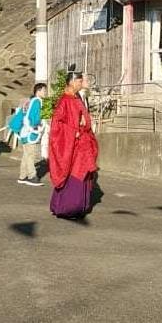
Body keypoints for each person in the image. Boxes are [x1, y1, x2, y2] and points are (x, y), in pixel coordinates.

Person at [48, 71, 100, 219]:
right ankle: (68, 208)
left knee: (81, 173)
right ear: (71, 81)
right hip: (73, 144)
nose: (80, 83)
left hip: (81, 144)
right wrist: (73, 132)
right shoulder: (65, 100)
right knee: (74, 173)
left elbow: (82, 118)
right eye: (79, 81)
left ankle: (75, 206)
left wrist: (84, 123)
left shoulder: (76, 98)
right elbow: (57, 125)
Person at [15, 83, 46, 186]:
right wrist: (38, 126)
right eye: (43, 90)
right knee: (30, 155)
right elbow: (35, 117)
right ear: (38, 91)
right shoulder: (37, 101)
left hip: (24, 131)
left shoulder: (30, 101)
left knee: (26, 155)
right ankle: (32, 176)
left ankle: (22, 176)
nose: (45, 92)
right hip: (30, 132)